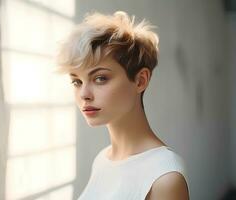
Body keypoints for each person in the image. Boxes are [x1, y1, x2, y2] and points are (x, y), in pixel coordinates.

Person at [55, 10, 189, 200]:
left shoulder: (165, 178)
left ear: (140, 80)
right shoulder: (102, 160)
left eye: (100, 78)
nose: (84, 94)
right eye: (77, 81)